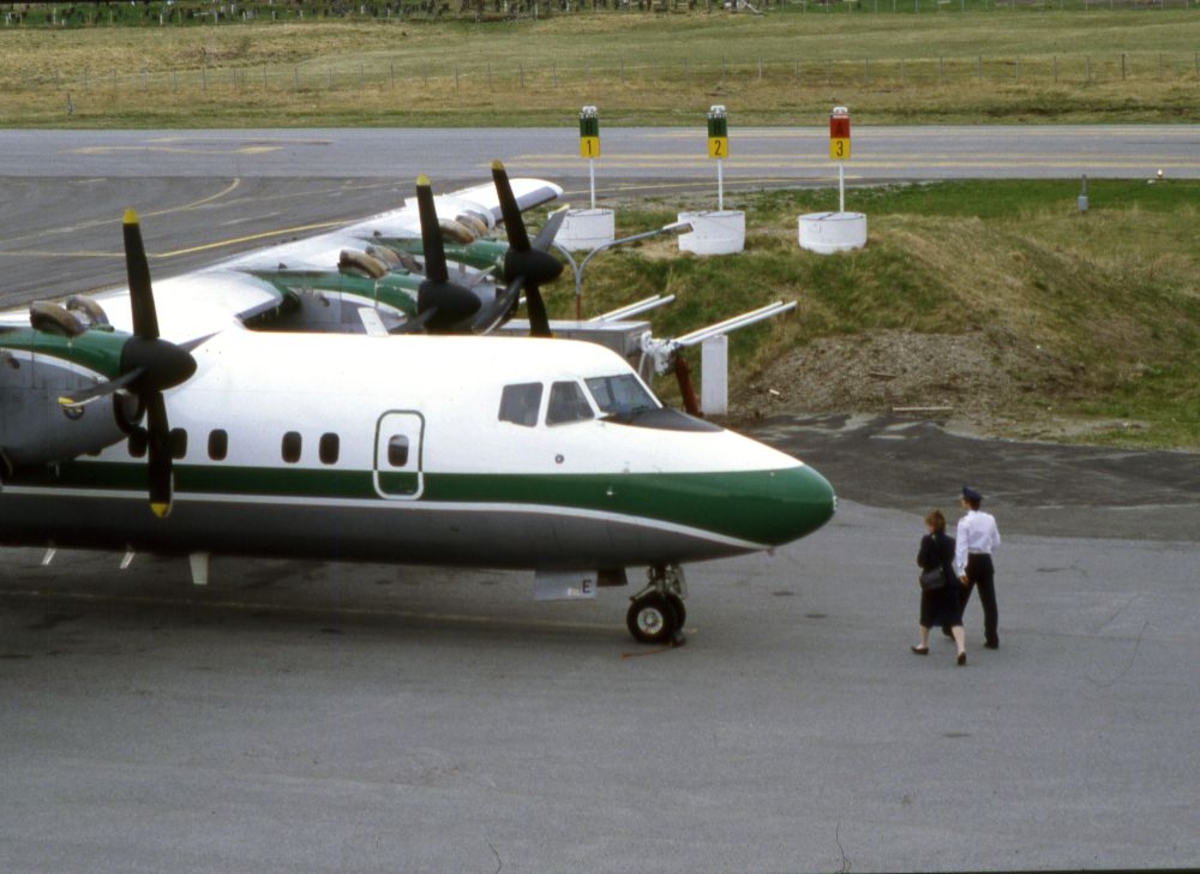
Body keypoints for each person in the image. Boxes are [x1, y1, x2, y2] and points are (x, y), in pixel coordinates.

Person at [913, 509, 967, 666]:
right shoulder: (951, 541)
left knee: (926, 613)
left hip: (932, 581)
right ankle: (961, 649)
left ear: (931, 526)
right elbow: (951, 559)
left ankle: (923, 644)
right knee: (954, 617)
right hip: (949, 579)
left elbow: (921, 561)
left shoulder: (927, 540)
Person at [955, 486, 1002, 650]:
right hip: (986, 560)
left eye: (962, 499)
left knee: (960, 598)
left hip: (971, 560)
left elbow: (961, 547)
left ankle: (951, 627)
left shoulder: (964, 522)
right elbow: (997, 542)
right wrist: (987, 552)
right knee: (989, 602)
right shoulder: (990, 518)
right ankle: (992, 637)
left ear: (967, 503)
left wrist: (961, 569)